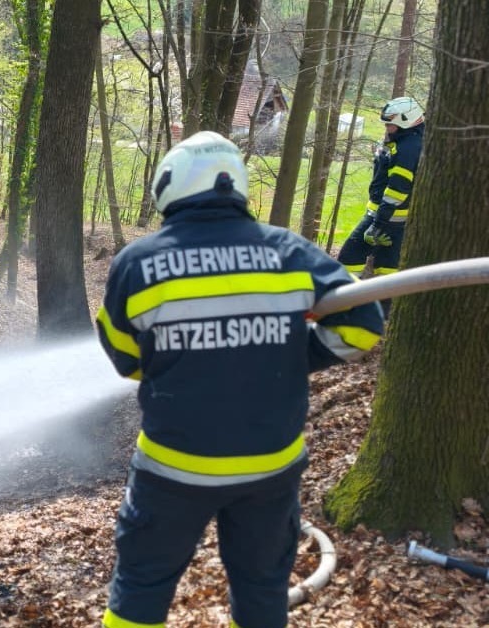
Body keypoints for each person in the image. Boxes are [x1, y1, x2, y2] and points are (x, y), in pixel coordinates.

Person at [95, 131, 384, 628]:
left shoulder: (138, 264)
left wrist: (187, 362)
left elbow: (125, 359)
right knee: (261, 591)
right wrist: (290, 356)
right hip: (269, 470)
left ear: (170, 186)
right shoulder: (291, 253)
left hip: (172, 469)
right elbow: (364, 326)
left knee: (141, 587)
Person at [337, 97, 424, 287]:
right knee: (386, 267)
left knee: (350, 258)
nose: (387, 129)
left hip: (387, 218)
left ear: (405, 122)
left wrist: (377, 225)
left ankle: (345, 302)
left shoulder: (408, 148)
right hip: (387, 217)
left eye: (390, 125)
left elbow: (397, 189)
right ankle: (382, 310)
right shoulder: (405, 142)